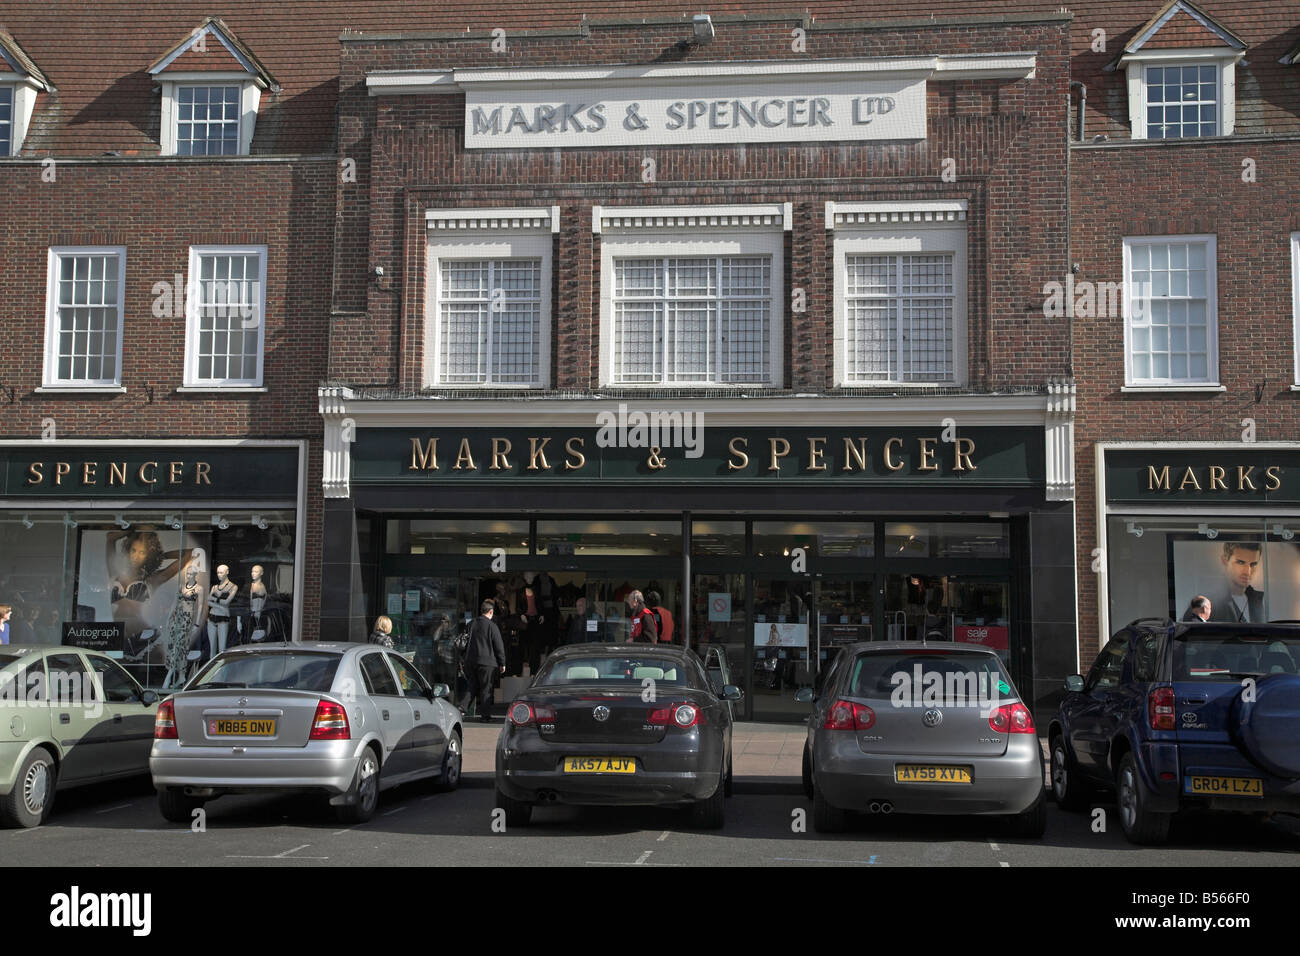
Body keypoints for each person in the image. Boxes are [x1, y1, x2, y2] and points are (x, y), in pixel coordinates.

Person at [463, 600, 505, 721]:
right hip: (487, 663)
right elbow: (499, 646)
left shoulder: (471, 623)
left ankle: (462, 708)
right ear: (491, 612)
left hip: (471, 661)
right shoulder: (492, 626)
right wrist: (502, 663)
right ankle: (485, 716)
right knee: (486, 689)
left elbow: (464, 641)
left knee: (472, 685)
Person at [1208, 542, 1266, 623]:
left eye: (1253, 564)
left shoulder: (1260, 601)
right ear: (1224, 561)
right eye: (1240, 562)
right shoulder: (1208, 602)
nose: (1247, 572)